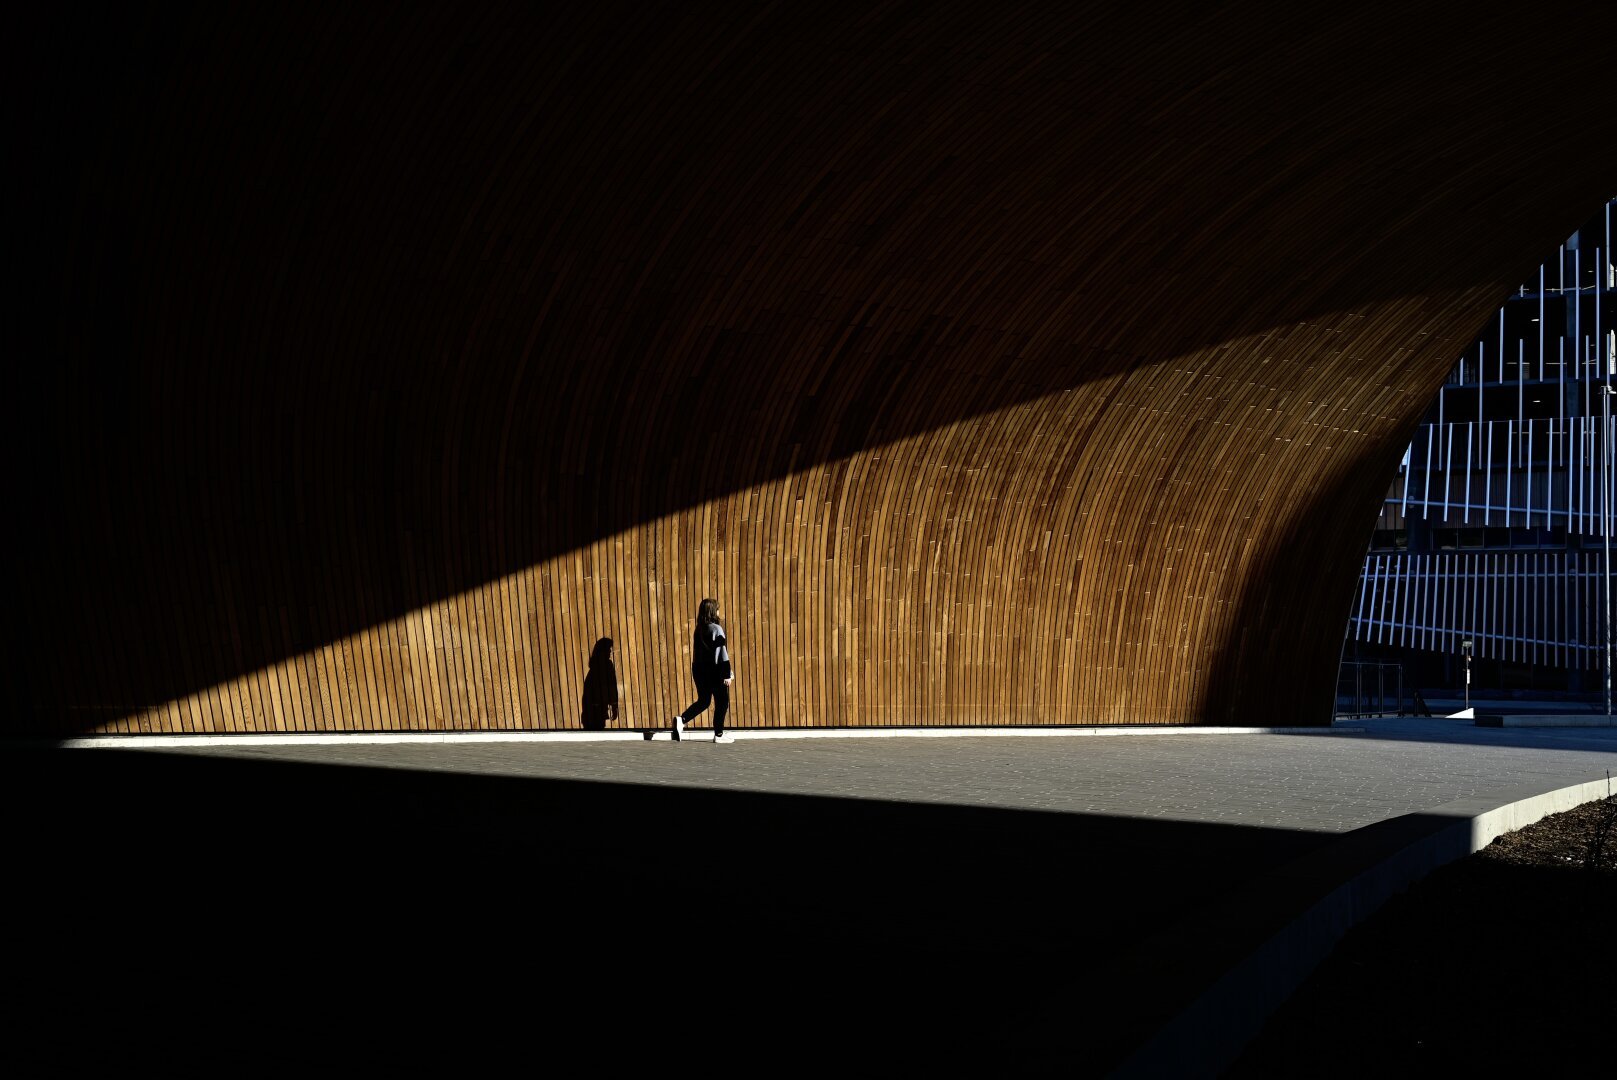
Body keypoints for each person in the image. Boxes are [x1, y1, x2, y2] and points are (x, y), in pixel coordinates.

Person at [672, 597, 734, 743]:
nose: (719, 611)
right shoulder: (716, 629)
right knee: (722, 701)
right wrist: (726, 674)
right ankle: (718, 735)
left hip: (699, 670)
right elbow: (721, 653)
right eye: (717, 609)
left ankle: (683, 719)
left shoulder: (699, 629)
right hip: (714, 670)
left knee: (704, 700)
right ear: (713, 611)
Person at [580, 637, 618, 731]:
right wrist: (614, 704)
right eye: (608, 649)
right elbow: (611, 686)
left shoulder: (594, 668)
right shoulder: (606, 666)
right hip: (598, 708)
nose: (610, 652)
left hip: (591, 707)